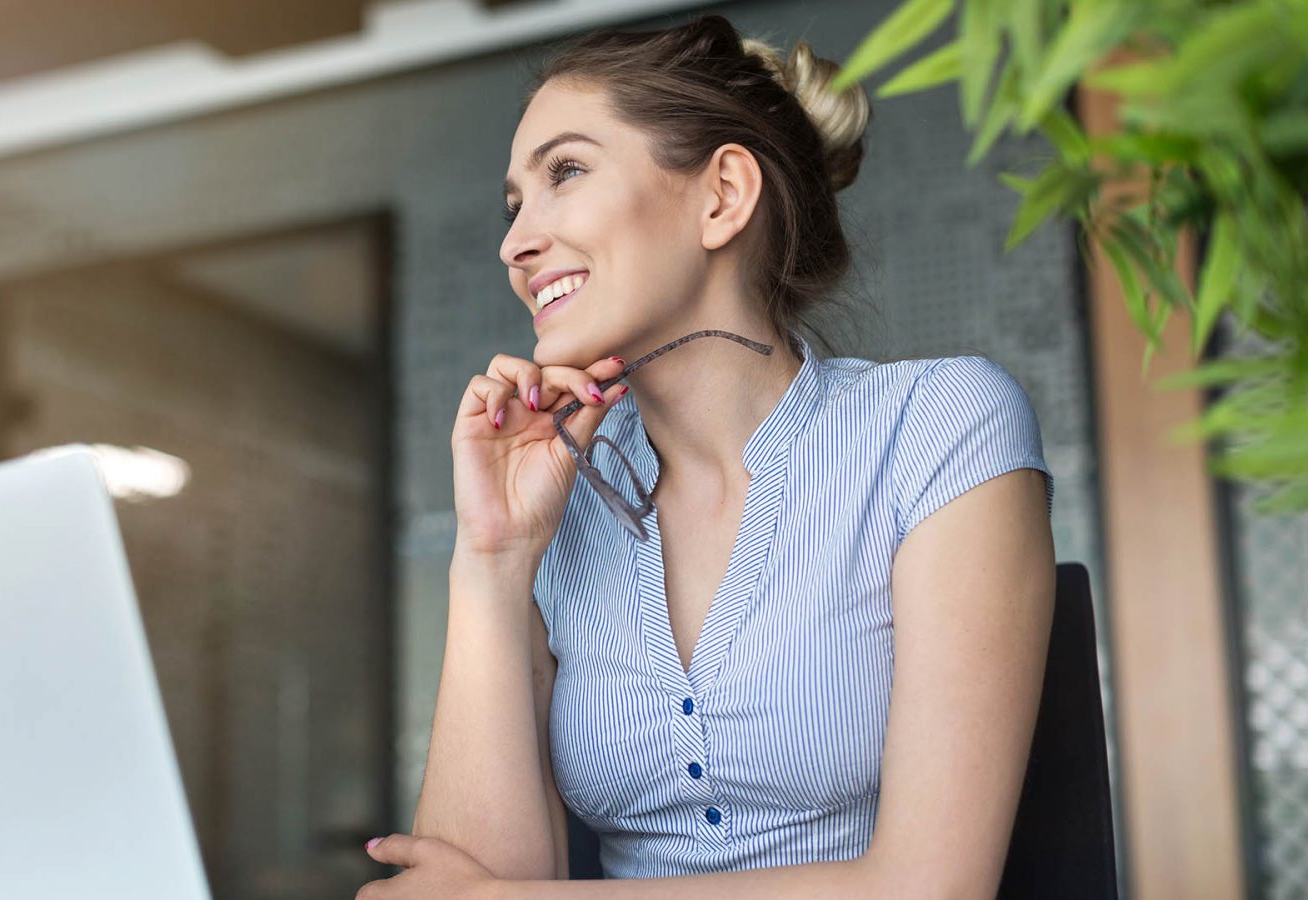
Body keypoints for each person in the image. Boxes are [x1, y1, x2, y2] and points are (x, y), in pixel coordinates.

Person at [358, 13, 1056, 899]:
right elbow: (459, 884)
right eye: (512, 205)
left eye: (564, 172)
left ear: (723, 194)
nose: (514, 244)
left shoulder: (940, 430)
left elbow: (930, 886)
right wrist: (492, 557)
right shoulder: (556, 493)